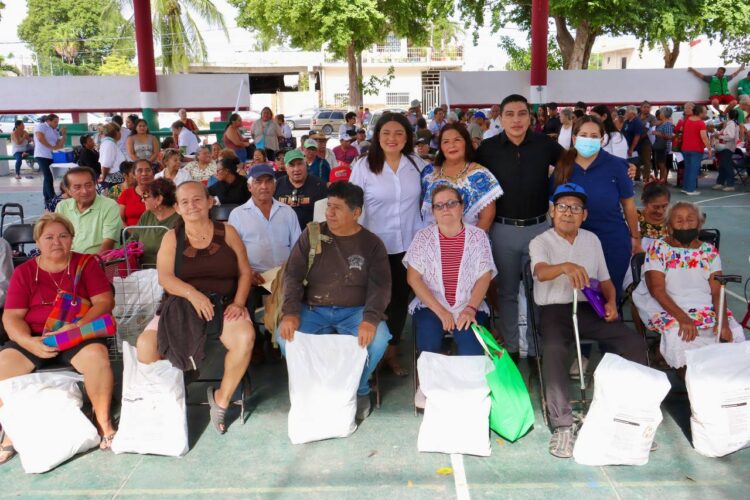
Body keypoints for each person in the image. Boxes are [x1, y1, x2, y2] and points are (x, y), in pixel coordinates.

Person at [530, 183, 647, 458]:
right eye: (562, 207)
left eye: (575, 208)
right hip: (555, 310)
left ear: (584, 215)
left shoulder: (592, 240)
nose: (568, 213)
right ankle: (563, 425)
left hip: (589, 308)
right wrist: (564, 267)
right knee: (554, 349)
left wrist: (611, 302)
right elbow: (541, 273)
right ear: (552, 211)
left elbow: (605, 280)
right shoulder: (541, 241)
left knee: (633, 343)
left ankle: (627, 415)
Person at [136, 181, 255, 434]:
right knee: (146, 345)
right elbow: (165, 277)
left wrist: (239, 302)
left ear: (210, 202)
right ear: (177, 208)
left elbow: (245, 272)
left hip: (224, 303)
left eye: (198, 199)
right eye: (185, 202)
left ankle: (221, 399)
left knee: (245, 337)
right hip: (180, 304)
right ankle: (170, 395)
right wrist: (193, 295)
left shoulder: (228, 232)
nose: (192, 206)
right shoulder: (172, 238)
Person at [0, 213, 118, 462]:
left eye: (63, 236)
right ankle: (10, 429)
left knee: (97, 359)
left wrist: (76, 326)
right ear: (37, 242)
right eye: (49, 237)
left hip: (77, 335)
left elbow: (104, 302)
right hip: (35, 337)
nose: (56, 242)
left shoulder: (86, 264)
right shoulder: (25, 272)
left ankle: (104, 422)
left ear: (72, 239)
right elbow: (11, 317)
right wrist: (27, 341)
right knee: (2, 367)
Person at [277, 181, 392, 420]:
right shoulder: (312, 234)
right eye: (328, 206)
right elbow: (293, 275)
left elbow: (380, 287)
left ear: (356, 213)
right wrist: (290, 312)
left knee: (379, 339)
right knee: (285, 338)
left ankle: (359, 388)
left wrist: (370, 319)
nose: (329, 213)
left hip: (355, 311)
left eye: (337, 208)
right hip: (313, 309)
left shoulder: (372, 244)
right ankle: (316, 386)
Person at [474, 94, 564, 361]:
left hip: (540, 229)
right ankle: (512, 349)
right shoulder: (487, 149)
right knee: (507, 291)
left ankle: (536, 349)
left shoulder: (545, 145)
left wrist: (625, 167)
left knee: (539, 290)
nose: (516, 120)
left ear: (530, 117)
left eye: (522, 113)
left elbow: (574, 164)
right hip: (503, 230)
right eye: (510, 114)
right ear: (500, 118)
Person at [350, 112, 427, 376]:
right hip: (374, 246)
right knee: (375, 299)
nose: (392, 138)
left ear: (407, 137)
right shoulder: (363, 166)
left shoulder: (416, 164)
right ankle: (373, 351)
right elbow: (353, 204)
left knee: (399, 300)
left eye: (398, 133)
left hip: (409, 244)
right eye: (386, 133)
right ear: (377, 136)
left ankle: (391, 353)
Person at [634, 202, 745, 370]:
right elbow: (657, 290)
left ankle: (719, 378)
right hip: (667, 305)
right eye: (679, 220)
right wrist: (683, 318)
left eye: (690, 219)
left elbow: (717, 291)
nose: (685, 225)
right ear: (669, 226)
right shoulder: (658, 248)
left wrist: (723, 323)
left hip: (704, 305)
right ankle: (692, 377)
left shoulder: (709, 251)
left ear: (699, 224)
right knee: (683, 340)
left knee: (733, 335)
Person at [405, 185, 496, 359]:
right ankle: (432, 377)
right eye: (439, 206)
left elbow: (485, 276)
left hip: (469, 304)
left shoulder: (478, 237)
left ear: (462, 207)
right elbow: (413, 278)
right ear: (433, 211)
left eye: (451, 203)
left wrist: (470, 309)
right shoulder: (422, 238)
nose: (445, 209)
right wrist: (441, 311)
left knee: (470, 346)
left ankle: (467, 378)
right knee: (429, 340)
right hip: (431, 305)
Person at [229, 163, 301, 352]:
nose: (264, 186)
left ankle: (276, 338)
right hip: (253, 276)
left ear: (274, 185)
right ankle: (256, 342)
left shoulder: (287, 212)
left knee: (295, 296)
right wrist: (247, 273)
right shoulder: (238, 215)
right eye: (258, 182)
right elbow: (233, 252)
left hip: (283, 275)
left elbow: (298, 248)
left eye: (268, 181)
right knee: (245, 298)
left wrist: (289, 270)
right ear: (249, 186)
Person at [420, 123, 502, 231]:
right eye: (446, 142)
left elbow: (487, 217)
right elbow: (422, 208)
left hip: (470, 239)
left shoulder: (481, 174)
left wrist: (468, 240)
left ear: (466, 143)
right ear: (440, 146)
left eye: (457, 140)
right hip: (431, 239)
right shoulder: (429, 173)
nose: (452, 145)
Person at [56, 167, 122, 254]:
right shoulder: (62, 206)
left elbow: (108, 243)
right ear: (68, 191)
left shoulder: (109, 206)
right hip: (67, 258)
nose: (84, 191)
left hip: (98, 259)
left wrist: (90, 262)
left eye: (88, 185)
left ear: (95, 184)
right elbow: (57, 237)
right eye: (77, 187)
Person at [130, 178, 180, 267]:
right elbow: (132, 240)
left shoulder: (180, 220)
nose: (142, 200)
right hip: (142, 271)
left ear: (159, 199)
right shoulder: (147, 215)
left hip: (169, 271)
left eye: (145, 196)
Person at [275, 149, 328, 229]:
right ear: (286, 168)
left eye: (299, 164)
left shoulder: (319, 185)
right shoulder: (277, 185)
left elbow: (324, 218)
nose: (296, 169)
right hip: (283, 232)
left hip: (310, 233)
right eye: (291, 165)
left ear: (305, 164)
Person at [34, 113, 66, 204]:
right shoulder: (41, 126)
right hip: (41, 155)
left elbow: (59, 145)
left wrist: (64, 135)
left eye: (57, 122)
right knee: (48, 176)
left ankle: (47, 198)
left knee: (48, 177)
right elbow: (40, 138)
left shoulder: (55, 130)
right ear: (48, 121)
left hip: (51, 156)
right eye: (55, 122)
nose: (57, 124)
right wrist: (51, 147)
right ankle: (52, 197)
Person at [681, 103, 711, 195]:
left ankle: (685, 188)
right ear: (700, 113)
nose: (706, 113)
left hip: (685, 148)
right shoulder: (701, 123)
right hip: (696, 149)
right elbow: (704, 137)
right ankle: (690, 190)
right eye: (705, 112)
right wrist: (709, 149)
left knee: (688, 169)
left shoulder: (687, 120)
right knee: (693, 170)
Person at [118, 159, 155, 227]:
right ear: (134, 175)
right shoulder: (126, 194)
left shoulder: (161, 192)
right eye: (140, 171)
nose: (144, 173)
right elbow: (120, 218)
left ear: (153, 173)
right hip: (129, 232)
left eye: (148, 170)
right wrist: (129, 232)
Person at [622, 105, 652, 181]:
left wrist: (631, 148)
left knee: (633, 164)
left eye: (627, 112)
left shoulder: (637, 122)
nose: (625, 113)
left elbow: (637, 137)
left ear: (632, 113)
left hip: (634, 148)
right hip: (625, 147)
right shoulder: (626, 121)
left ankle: (635, 179)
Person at [714, 108, 740, 191]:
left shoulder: (731, 124)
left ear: (729, 115)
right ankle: (720, 182)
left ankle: (730, 184)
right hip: (727, 147)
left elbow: (731, 136)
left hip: (727, 147)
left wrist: (720, 137)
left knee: (727, 166)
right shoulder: (733, 123)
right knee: (723, 165)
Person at [653, 107, 675, 184]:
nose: (660, 114)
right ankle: (662, 180)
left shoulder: (668, 124)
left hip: (664, 147)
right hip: (660, 146)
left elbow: (669, 137)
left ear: (664, 114)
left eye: (661, 113)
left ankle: (662, 180)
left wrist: (658, 133)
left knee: (662, 165)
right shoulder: (663, 123)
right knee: (661, 164)